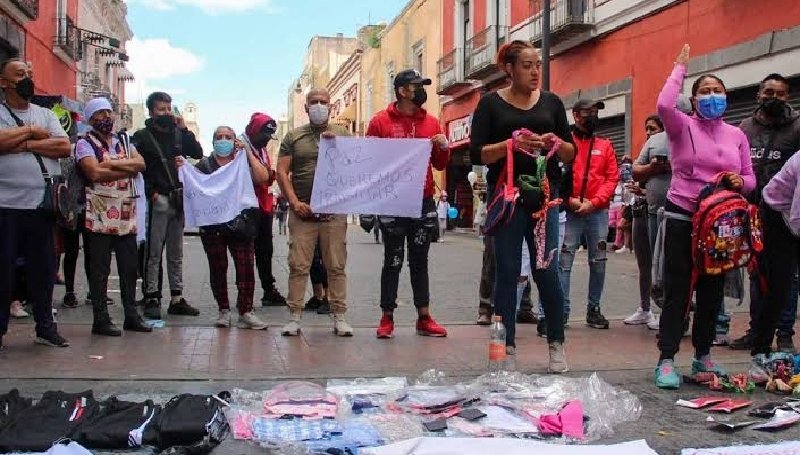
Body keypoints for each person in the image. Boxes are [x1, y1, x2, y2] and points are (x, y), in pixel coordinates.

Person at [653, 44, 755, 389]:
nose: (712, 96)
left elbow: (750, 178)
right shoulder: (681, 127)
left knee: (712, 292)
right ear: (694, 100)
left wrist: (741, 182)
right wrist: (678, 68)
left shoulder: (737, 134)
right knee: (678, 289)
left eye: (718, 91)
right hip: (684, 216)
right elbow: (664, 104)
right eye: (705, 91)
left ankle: (703, 356)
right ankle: (666, 358)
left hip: (720, 225)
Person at [470, 40, 575, 371]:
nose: (534, 71)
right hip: (508, 199)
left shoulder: (552, 103)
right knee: (508, 273)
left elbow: (572, 152)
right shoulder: (489, 105)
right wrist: (509, 144)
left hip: (544, 200)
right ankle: (505, 349)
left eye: (537, 65)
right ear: (509, 69)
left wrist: (556, 144)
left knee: (547, 273)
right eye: (527, 65)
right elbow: (476, 153)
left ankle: (556, 345)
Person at [367, 69, 451, 339]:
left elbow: (440, 164)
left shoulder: (432, 122)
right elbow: (368, 161)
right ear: (402, 90)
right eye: (417, 86)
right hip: (392, 201)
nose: (421, 91)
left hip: (423, 200)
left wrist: (443, 147)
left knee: (419, 260)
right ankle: (387, 316)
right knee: (392, 260)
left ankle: (424, 316)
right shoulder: (379, 122)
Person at [0, 58, 72, 349]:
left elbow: (63, 146)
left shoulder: (45, 113)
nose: (27, 77)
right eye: (20, 74)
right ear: (4, 82)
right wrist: (31, 132)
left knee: (42, 272)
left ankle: (45, 326)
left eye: (29, 72)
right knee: (2, 272)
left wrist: (22, 144)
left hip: (41, 207)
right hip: (5, 207)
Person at [730, 73, 800, 354]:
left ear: (788, 97)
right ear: (758, 95)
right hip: (754, 210)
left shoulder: (797, 127)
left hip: (787, 213)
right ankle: (757, 331)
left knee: (787, 277)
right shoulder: (745, 128)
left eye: (780, 94)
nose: (774, 99)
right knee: (757, 273)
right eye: (769, 93)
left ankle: (783, 334)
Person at [276, 88, 352, 336]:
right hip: (303, 213)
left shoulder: (342, 134)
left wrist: (337, 147)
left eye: (323, 102)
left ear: (331, 106)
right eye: (314, 102)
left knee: (336, 265)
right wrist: (295, 202)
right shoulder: (293, 137)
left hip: (333, 213)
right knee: (298, 265)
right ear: (306, 107)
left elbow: (357, 166)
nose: (319, 105)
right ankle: (295, 317)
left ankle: (339, 316)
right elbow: (281, 172)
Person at [74, 97, 151, 336]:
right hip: (98, 214)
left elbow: (141, 165)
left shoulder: (124, 141)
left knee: (129, 268)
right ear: (90, 118)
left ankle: (131, 315)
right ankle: (101, 319)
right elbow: (93, 172)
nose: (106, 117)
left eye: (108, 112)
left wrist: (111, 164)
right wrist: (123, 165)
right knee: (100, 269)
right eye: (100, 113)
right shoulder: (84, 143)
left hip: (126, 213)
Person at [189, 126, 271, 330]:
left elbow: (263, 178)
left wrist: (248, 153)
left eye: (228, 137)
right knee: (217, 268)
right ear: (213, 141)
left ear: (235, 140)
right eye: (219, 137)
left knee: (245, 269)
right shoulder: (204, 165)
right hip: (213, 226)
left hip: (241, 225)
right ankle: (223, 310)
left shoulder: (241, 163)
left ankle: (246, 311)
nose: (223, 140)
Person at [132, 91, 203, 320]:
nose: (165, 113)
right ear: (151, 111)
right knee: (153, 252)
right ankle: (152, 295)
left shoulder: (177, 135)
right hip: (157, 198)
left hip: (177, 199)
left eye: (168, 108)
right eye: (161, 109)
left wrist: (183, 129)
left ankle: (176, 297)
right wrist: (150, 191)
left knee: (176, 252)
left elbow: (197, 152)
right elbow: (138, 168)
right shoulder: (141, 137)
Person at [558, 99, 619, 330]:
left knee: (599, 261)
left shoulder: (605, 145)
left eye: (595, 112)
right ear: (575, 115)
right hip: (570, 210)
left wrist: (595, 203)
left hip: (597, 212)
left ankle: (594, 309)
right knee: (564, 262)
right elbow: (556, 175)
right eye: (587, 112)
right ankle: (561, 310)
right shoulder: (565, 143)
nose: (592, 116)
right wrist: (569, 200)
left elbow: (612, 178)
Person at [752, 146, 800, 376]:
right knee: (779, 287)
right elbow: (798, 218)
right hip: (775, 216)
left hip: (793, 217)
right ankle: (759, 352)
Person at [241, 113, 287, 308]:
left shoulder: (261, 149)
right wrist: (267, 174)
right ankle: (245, 294)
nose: (268, 140)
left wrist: (268, 174)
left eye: (270, 136)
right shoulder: (242, 149)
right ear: (254, 132)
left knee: (265, 251)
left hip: (264, 207)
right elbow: (260, 177)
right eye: (265, 136)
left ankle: (268, 289)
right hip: (248, 208)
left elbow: (266, 175)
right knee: (245, 254)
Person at [625, 115, 666, 328]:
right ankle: (645, 308)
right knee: (644, 263)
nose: (649, 132)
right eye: (646, 128)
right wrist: (639, 189)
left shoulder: (673, 146)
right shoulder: (647, 150)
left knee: (662, 264)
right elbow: (637, 171)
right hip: (640, 209)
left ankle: (664, 309)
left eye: (653, 128)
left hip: (659, 212)